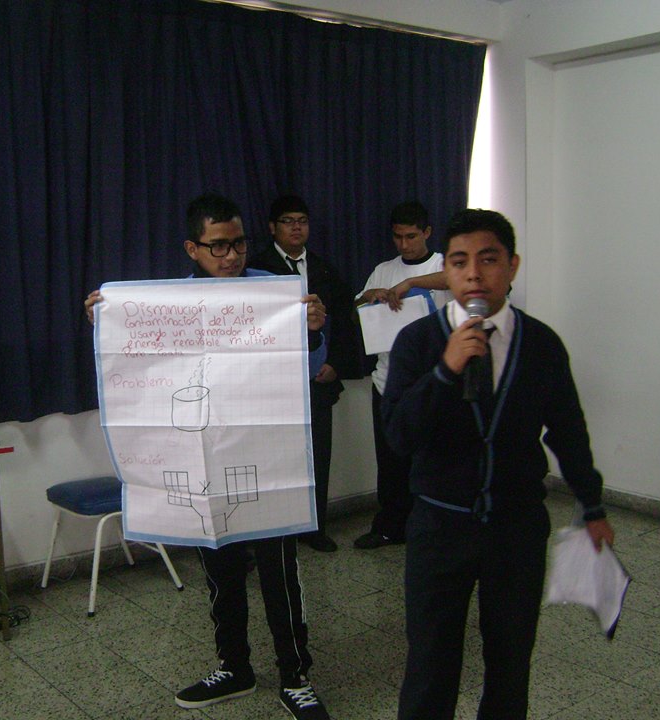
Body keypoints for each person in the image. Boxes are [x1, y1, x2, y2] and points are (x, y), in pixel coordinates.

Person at [84, 194, 332, 720]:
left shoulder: (273, 292)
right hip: (205, 462)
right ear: (192, 248)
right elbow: (134, 357)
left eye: (239, 243)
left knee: (279, 573)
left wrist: (313, 331)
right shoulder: (169, 303)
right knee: (219, 568)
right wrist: (106, 320)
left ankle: (296, 675)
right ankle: (234, 666)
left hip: (266, 460)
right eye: (218, 246)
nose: (232, 255)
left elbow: (311, 366)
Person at [382, 208, 615, 720]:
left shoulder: (542, 344)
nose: (473, 274)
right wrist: (445, 371)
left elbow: (568, 431)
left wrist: (592, 504)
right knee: (430, 663)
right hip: (439, 527)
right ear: (446, 271)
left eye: (488, 260)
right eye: (459, 262)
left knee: (510, 661)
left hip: (516, 527)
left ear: (512, 266)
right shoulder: (418, 342)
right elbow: (398, 436)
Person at [249, 195, 360, 553]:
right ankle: (274, 531)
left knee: (317, 456)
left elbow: (344, 322)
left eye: (302, 221)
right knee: (274, 459)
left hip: (317, 381)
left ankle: (315, 528)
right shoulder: (255, 269)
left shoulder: (324, 268)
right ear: (272, 227)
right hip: (275, 384)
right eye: (288, 221)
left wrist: (336, 364)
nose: (296, 227)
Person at [352, 201, 451, 550]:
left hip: (434, 381)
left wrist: (412, 282)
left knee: (433, 459)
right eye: (398, 237)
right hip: (388, 380)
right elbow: (357, 305)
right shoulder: (383, 269)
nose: (404, 244)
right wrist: (371, 295)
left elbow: (457, 279)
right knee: (391, 460)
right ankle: (390, 527)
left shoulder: (443, 264)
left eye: (411, 236)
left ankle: (432, 529)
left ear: (427, 232)